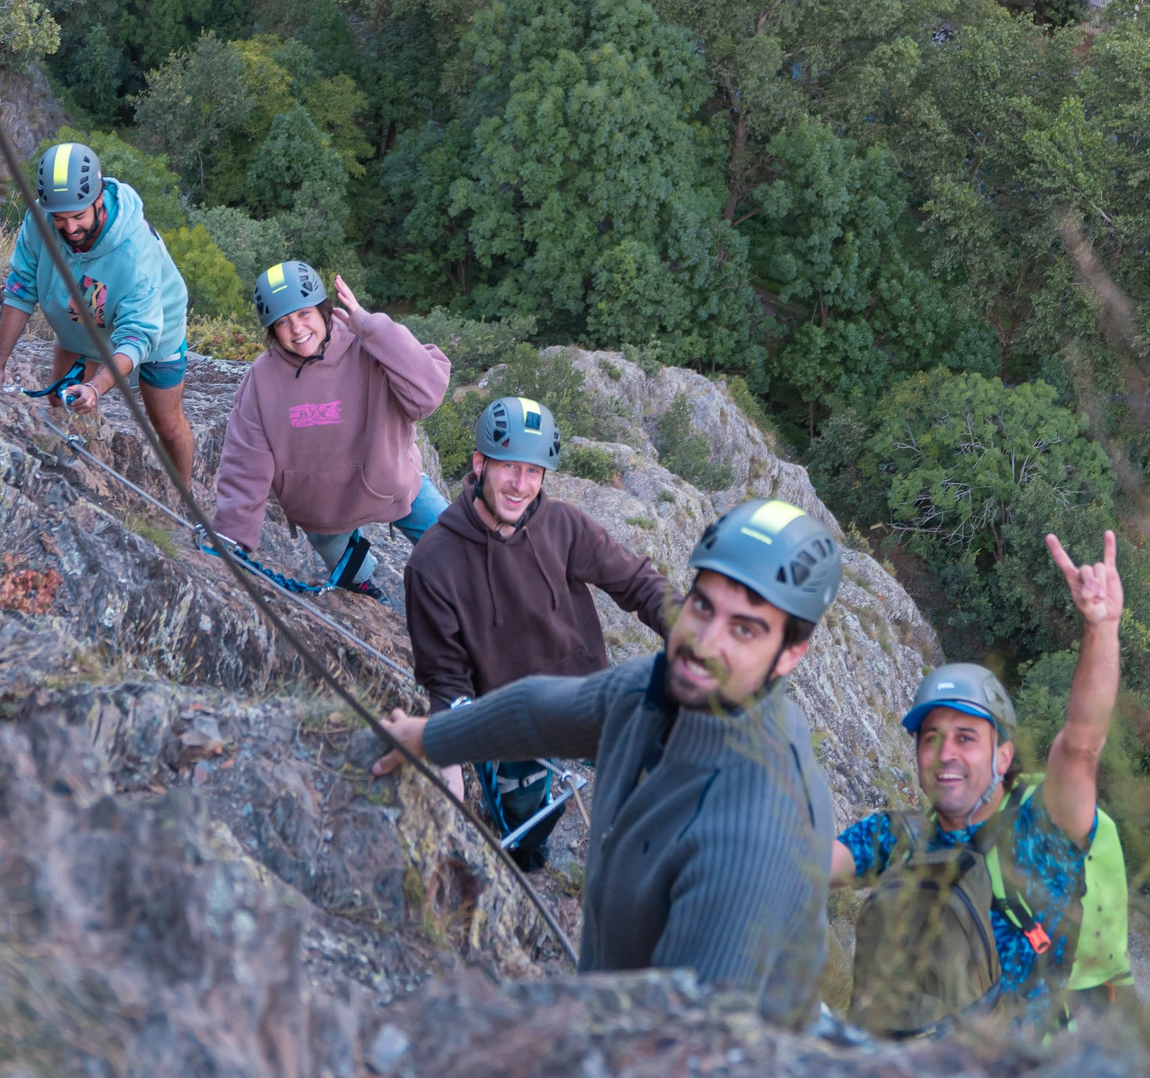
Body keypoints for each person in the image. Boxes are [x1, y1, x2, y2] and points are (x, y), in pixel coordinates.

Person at [374, 498, 844, 1029]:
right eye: (703, 606)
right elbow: (538, 712)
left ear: (790, 654)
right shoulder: (654, 689)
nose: (704, 643)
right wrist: (429, 736)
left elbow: (688, 1045)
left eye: (745, 630)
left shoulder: (750, 835)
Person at [836, 531, 1125, 1040]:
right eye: (931, 739)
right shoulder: (896, 837)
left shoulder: (1040, 833)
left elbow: (1081, 745)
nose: (945, 753)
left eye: (967, 738)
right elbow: (810, 861)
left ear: (1003, 755)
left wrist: (1101, 630)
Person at [402, 397, 672, 871]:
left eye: (533, 471)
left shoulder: (562, 525)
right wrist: (449, 762)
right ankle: (529, 857)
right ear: (480, 463)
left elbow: (637, 583)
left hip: (586, 696)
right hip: (510, 722)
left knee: (658, 784)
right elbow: (447, 681)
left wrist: (697, 636)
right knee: (527, 824)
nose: (521, 485)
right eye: (509, 467)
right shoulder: (433, 563)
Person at [212, 260, 450, 600]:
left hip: (394, 484)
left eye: (304, 313)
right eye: (283, 322)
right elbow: (244, 462)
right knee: (359, 587)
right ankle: (364, 583)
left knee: (463, 546)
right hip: (323, 512)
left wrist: (373, 328)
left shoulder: (368, 346)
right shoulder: (262, 382)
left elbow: (428, 394)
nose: (296, 329)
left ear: (325, 309)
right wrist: (232, 538)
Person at [0, 141, 195, 485]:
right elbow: (21, 288)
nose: (69, 229)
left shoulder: (134, 253)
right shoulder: (41, 222)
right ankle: (70, 462)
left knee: (167, 426)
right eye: (60, 218)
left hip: (154, 332)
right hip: (80, 319)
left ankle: (184, 496)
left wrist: (96, 387)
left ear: (98, 200)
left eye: (79, 216)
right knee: (59, 399)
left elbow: (137, 335)